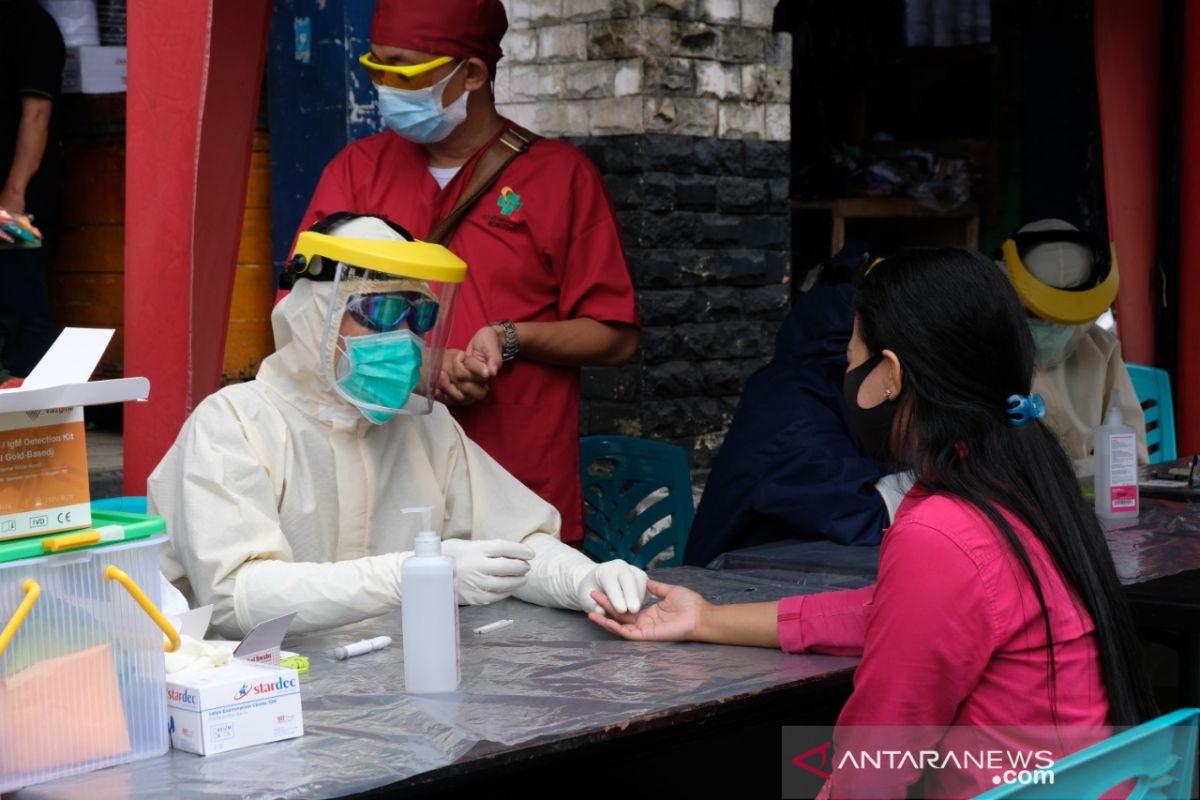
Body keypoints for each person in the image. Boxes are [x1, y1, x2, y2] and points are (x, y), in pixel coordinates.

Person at [590, 249, 1156, 798]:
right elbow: (893, 614)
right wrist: (708, 618)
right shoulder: (1026, 482)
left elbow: (874, 767)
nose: (847, 372)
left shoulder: (943, 530)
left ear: (888, 374)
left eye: (852, 356)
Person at [149, 215, 647, 638]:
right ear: (314, 315)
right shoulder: (234, 423)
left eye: (418, 316)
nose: (405, 338)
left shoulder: (424, 428)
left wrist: (585, 580)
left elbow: (514, 541)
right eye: (381, 311)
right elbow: (236, 597)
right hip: (253, 696)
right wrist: (411, 577)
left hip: (389, 683)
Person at [299, 0, 639, 545]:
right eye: (376, 67)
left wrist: (512, 338)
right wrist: (416, 363)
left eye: (402, 70)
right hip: (383, 474)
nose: (384, 86)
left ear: (473, 72)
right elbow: (299, 310)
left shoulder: (560, 178)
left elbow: (615, 334)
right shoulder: (356, 173)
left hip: (516, 474)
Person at [684, 251, 906, 568]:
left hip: (796, 580)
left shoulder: (830, 386)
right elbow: (867, 515)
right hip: (729, 592)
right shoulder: (791, 410)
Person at [1001, 219, 1148, 473]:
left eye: (1063, 319)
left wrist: (1079, 473)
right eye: (1036, 315)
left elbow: (1131, 457)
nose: (1052, 328)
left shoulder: (1101, 348)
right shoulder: (984, 346)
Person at [0, 0, 64, 377]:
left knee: (20, 302)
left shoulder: (30, 25)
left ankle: (36, 422)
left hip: (15, 203)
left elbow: (37, 114)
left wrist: (14, 192)